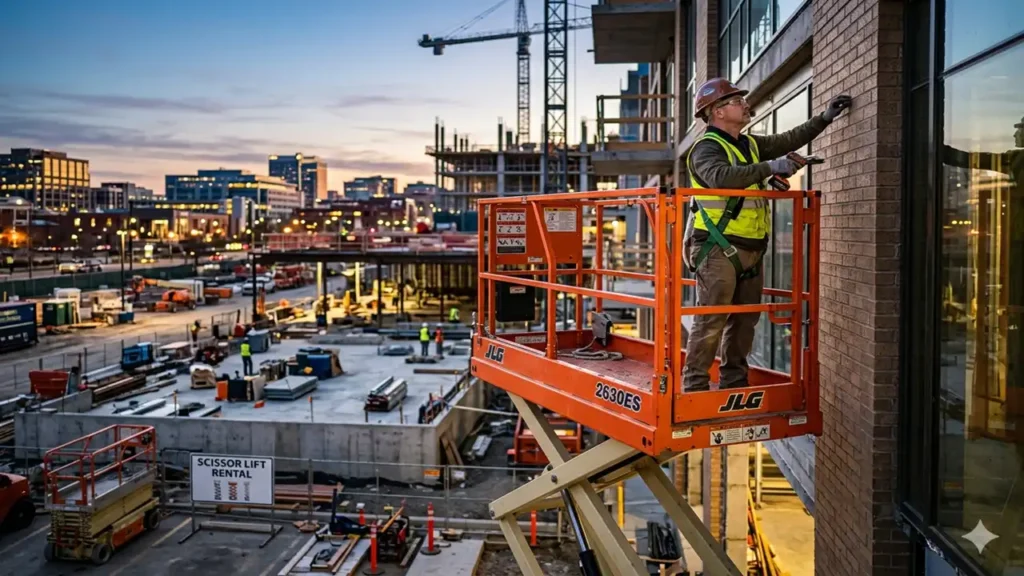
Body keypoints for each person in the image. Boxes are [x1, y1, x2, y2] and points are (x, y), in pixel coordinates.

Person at [681, 78, 852, 393]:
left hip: (751, 247)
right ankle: (694, 387)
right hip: (718, 247)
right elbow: (722, 178)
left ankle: (734, 382)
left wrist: (824, 119)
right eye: (736, 101)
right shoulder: (706, 149)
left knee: (745, 322)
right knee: (712, 320)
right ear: (717, 112)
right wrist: (770, 167)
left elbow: (788, 138)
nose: (745, 105)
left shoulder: (748, 144)